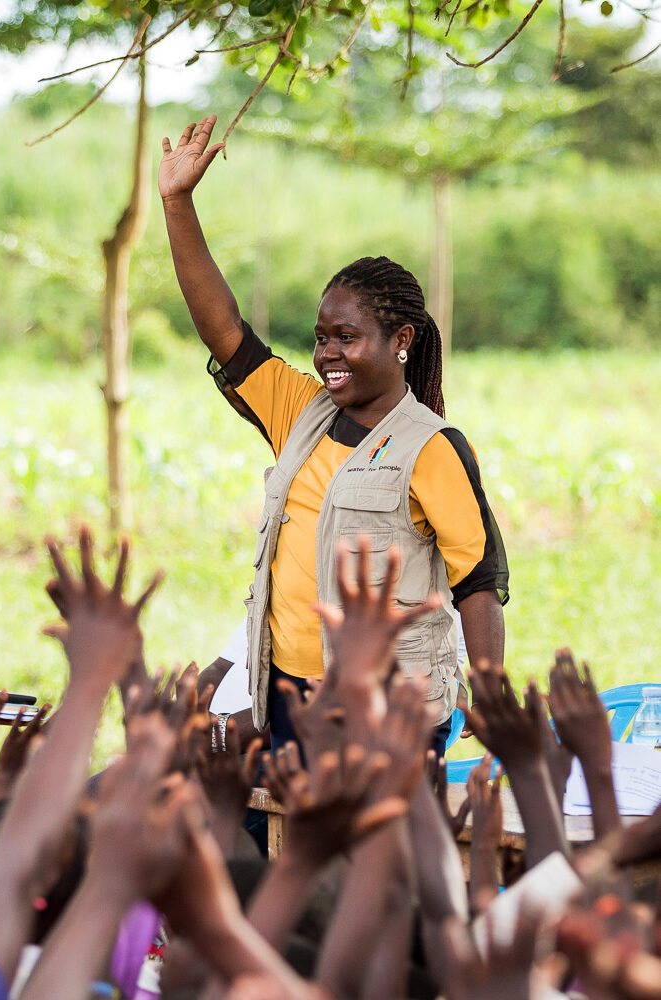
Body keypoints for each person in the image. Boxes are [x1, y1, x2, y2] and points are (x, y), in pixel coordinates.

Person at [159, 115, 509, 755]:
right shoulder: (300, 411)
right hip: (287, 696)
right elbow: (224, 330)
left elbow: (477, 581)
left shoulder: (431, 448)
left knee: (366, 856)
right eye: (321, 338)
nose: (327, 354)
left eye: (347, 338)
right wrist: (177, 203)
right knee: (289, 848)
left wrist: (488, 694)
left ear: (401, 342)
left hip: (387, 715)